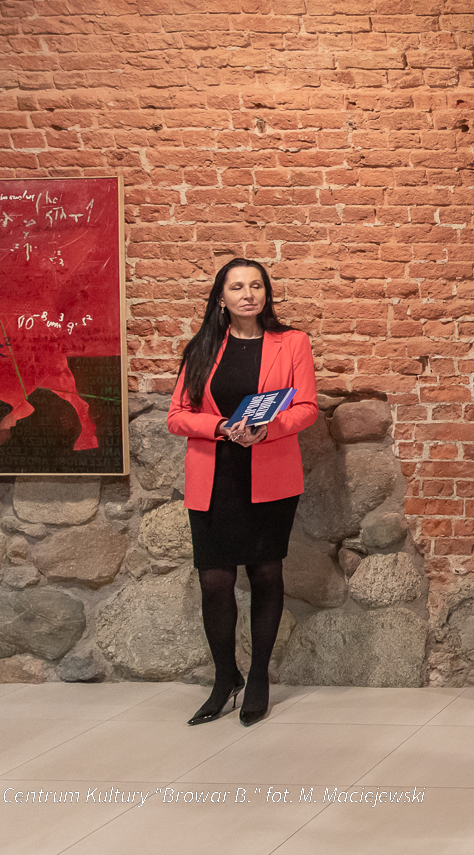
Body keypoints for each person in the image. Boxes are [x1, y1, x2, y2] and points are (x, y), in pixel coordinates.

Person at [165, 258, 319, 727]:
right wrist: (218, 427)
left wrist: (267, 429)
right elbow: (177, 416)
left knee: (265, 573)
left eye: (256, 285)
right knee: (214, 580)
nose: (248, 294)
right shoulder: (202, 348)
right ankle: (224, 676)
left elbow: (307, 407)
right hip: (214, 476)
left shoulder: (292, 343)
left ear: (266, 294)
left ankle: (257, 678)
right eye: (237, 287)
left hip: (269, 472)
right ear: (221, 298)